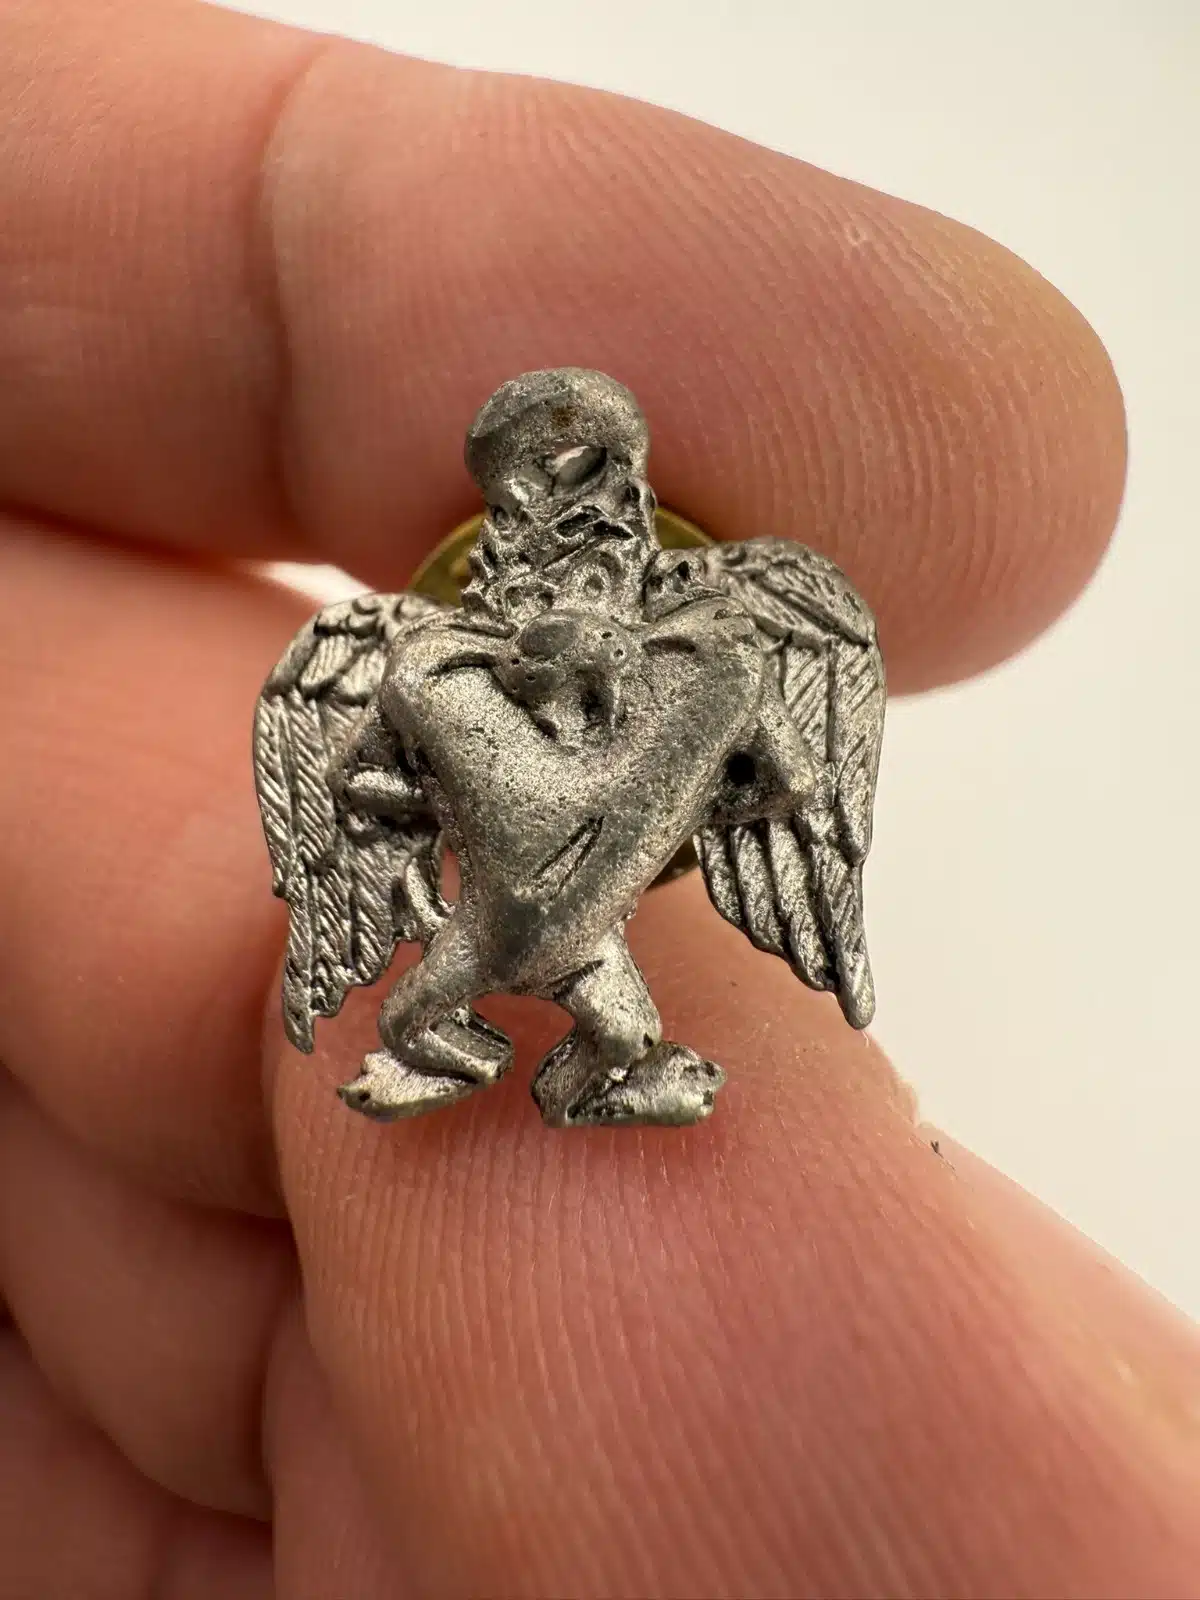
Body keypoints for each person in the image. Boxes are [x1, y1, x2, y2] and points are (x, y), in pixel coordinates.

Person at [0, 3, 1194, 1596]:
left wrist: (708, 775)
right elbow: (371, 781)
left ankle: (535, 1046)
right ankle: (521, 1042)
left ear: (634, 521)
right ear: (495, 539)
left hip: (575, 884)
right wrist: (397, 831)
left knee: (577, 993)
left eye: (598, 501)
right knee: (503, 967)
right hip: (517, 884)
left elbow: (769, 776)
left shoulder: (706, 659)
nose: (570, 530)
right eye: (536, 510)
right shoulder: (434, 670)